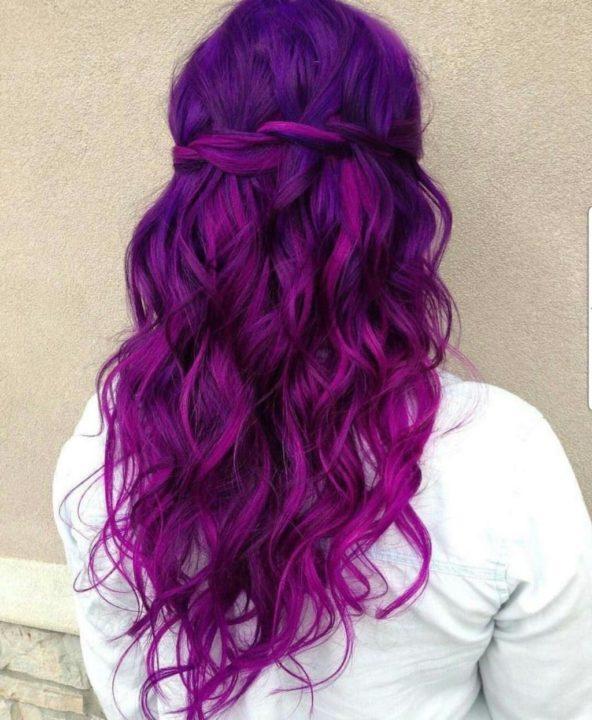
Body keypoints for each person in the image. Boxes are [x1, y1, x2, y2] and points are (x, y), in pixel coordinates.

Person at [52, 0, 592, 718]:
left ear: (192, 197)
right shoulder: (503, 458)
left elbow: (129, 694)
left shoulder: (106, 442)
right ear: (394, 208)